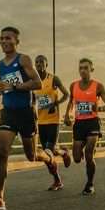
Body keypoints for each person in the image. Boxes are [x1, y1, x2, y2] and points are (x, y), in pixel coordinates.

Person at [0, 26, 59, 210]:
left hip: (25, 113)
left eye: (8, 38)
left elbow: (37, 83)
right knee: (2, 152)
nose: (4, 41)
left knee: (31, 155)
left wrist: (15, 87)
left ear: (17, 41)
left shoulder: (23, 59)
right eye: (1, 38)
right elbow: (4, 87)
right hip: (8, 112)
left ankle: (49, 157)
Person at [64, 58, 105, 195]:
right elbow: (71, 102)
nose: (83, 71)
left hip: (92, 122)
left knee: (89, 155)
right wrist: (67, 115)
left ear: (91, 70)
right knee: (77, 158)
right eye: (80, 68)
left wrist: (99, 109)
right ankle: (85, 147)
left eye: (86, 68)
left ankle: (90, 184)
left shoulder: (98, 86)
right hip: (79, 124)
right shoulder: (73, 85)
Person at [34, 55, 71, 191]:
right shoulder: (33, 82)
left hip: (53, 120)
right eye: (37, 62)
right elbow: (32, 100)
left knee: (49, 150)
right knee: (47, 155)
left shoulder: (53, 79)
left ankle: (63, 154)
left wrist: (56, 103)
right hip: (40, 122)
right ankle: (63, 156)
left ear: (46, 64)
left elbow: (66, 94)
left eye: (41, 62)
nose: (39, 64)